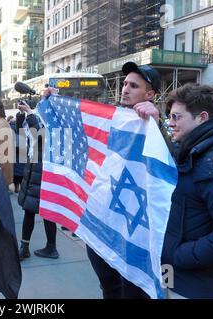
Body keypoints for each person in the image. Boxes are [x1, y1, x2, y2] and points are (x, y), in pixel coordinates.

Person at [86, 61, 164, 299]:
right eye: (124, 83)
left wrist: (157, 125)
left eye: (133, 85)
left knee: (132, 293)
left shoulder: (156, 126)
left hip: (134, 230)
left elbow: (169, 167)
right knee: (109, 288)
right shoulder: (111, 119)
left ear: (149, 94)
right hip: (102, 223)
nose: (125, 88)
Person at [161, 83, 213, 299]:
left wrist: (178, 255)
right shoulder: (193, 150)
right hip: (173, 271)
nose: (171, 123)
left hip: (195, 282)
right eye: (169, 117)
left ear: (202, 117)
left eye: (176, 117)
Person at [16, 100, 59, 260]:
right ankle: (28, 246)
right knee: (31, 210)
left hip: (42, 171)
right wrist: (22, 113)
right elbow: (22, 131)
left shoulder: (51, 123)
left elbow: (40, 135)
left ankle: (48, 248)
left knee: (43, 211)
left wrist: (31, 113)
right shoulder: (38, 119)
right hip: (34, 169)